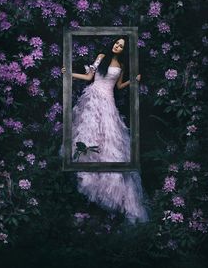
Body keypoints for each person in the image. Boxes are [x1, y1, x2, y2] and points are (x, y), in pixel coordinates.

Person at [61, 36, 149, 224]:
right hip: (92, 98)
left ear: (124, 50)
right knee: (88, 134)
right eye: (117, 43)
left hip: (108, 102)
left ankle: (110, 191)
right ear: (112, 45)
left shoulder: (122, 66)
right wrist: (69, 73)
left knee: (109, 143)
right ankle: (87, 178)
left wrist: (133, 81)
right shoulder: (101, 56)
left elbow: (119, 86)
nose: (117, 46)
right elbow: (88, 77)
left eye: (121, 45)